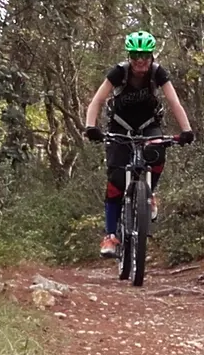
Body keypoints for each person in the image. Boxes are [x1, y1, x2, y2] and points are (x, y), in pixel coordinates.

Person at [83, 30, 196, 257]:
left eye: (145, 55)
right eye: (135, 55)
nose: (140, 60)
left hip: (148, 124)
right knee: (116, 180)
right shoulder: (119, 73)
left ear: (152, 55)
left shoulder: (157, 73)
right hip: (119, 126)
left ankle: (149, 194)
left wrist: (186, 130)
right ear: (129, 56)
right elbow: (97, 100)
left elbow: (174, 101)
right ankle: (111, 236)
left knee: (156, 152)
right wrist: (91, 127)